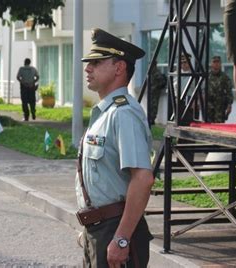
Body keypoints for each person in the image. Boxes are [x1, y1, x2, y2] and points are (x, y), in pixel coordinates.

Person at [76, 28, 154, 268]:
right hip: (101, 229)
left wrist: (121, 238)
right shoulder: (105, 113)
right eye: (89, 63)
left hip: (116, 229)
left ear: (119, 68)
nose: (88, 68)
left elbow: (142, 179)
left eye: (96, 63)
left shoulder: (123, 114)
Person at [206, 56, 234, 123]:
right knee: (207, 126)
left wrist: (229, 105)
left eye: (218, 62)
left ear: (220, 63)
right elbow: (201, 90)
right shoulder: (206, 76)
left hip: (220, 107)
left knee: (219, 125)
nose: (216, 64)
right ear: (211, 63)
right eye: (214, 62)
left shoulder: (224, 77)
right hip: (208, 106)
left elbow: (229, 92)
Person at [148, 60, 167, 125]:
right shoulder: (151, 72)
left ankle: (152, 118)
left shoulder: (156, 72)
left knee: (154, 106)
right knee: (150, 105)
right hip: (151, 91)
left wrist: (156, 87)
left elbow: (161, 81)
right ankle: (150, 118)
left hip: (155, 92)